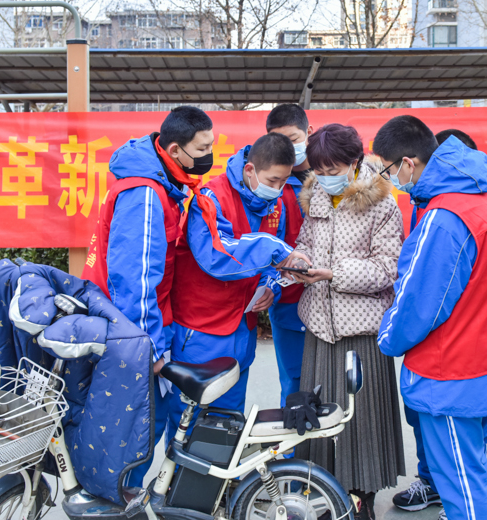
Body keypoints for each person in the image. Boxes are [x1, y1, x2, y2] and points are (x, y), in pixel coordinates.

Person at [374, 116, 487, 520]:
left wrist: (388, 338)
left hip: (453, 373)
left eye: (389, 170)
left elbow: (419, 302)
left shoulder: (445, 218)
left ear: (408, 163)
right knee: (472, 467)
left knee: (463, 490)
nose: (390, 179)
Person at [82, 106, 215, 488]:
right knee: (140, 428)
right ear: (174, 150)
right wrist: (150, 350)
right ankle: (122, 500)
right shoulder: (145, 193)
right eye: (202, 148)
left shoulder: (160, 182)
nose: (208, 155)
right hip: (130, 334)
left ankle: (125, 494)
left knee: (142, 424)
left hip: (137, 327)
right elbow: (135, 277)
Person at [289, 123, 406, 520]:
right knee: (321, 415)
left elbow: (388, 268)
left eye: (333, 169)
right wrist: (299, 263)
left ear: (355, 162)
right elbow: (306, 244)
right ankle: (322, 491)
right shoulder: (315, 196)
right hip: (319, 326)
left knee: (363, 418)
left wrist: (333, 272)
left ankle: (363, 497)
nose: (325, 179)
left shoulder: (383, 205)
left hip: (362, 330)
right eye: (318, 172)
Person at [168, 132, 308, 438]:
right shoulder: (209, 198)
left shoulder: (276, 204)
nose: (279, 189)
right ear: (249, 171)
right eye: (272, 181)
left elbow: (277, 260)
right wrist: (276, 250)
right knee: (188, 425)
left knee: (228, 423)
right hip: (201, 330)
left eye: (284, 182)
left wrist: (273, 286)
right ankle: (177, 483)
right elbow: (216, 256)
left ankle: (223, 487)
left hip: (241, 330)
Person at [391, 128, 480, 513]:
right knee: (423, 421)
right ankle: (432, 482)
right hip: (427, 345)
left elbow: (425, 296)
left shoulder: (455, 213)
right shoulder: (423, 201)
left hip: (456, 347)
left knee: (463, 442)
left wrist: (391, 337)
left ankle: (458, 496)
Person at [265, 104, 314, 407]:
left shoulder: (333, 173)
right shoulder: (268, 184)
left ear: (309, 132)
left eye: (293, 138)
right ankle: (293, 454)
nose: (286, 148)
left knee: (337, 387)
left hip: (338, 302)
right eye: (278, 140)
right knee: (295, 387)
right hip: (288, 303)